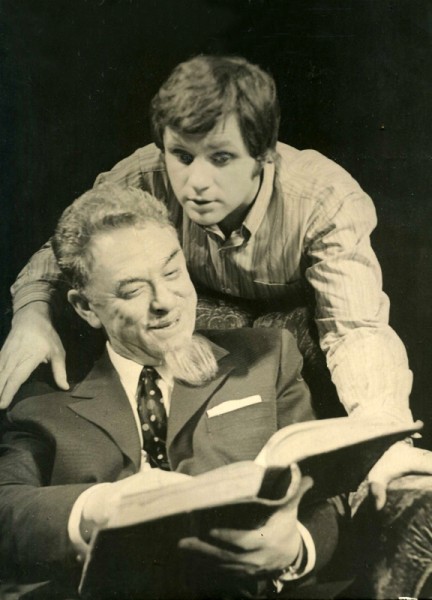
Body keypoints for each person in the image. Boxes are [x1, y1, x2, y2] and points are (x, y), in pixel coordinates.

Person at [1, 55, 431, 502]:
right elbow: (69, 248)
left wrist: (384, 436)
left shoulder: (325, 198)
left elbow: (354, 327)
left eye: (221, 158)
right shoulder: (144, 174)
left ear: (264, 155)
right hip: (197, 316)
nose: (197, 183)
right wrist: (31, 316)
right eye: (182, 157)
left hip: (301, 330)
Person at [0, 184, 349, 599]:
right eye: (133, 290)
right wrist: (98, 506)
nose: (165, 301)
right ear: (86, 308)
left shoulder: (267, 356)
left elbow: (321, 492)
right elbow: (6, 505)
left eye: (171, 272)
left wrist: (294, 548)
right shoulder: (45, 397)